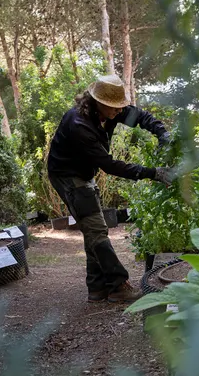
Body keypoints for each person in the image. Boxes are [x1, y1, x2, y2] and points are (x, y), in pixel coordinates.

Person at [47, 74, 174, 305]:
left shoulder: (110, 109)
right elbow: (108, 165)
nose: (119, 112)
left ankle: (96, 289)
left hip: (84, 172)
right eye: (115, 108)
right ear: (99, 102)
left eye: (120, 107)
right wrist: (153, 172)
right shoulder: (79, 125)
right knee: (96, 230)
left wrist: (161, 132)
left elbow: (140, 116)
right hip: (68, 177)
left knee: (92, 230)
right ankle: (118, 286)